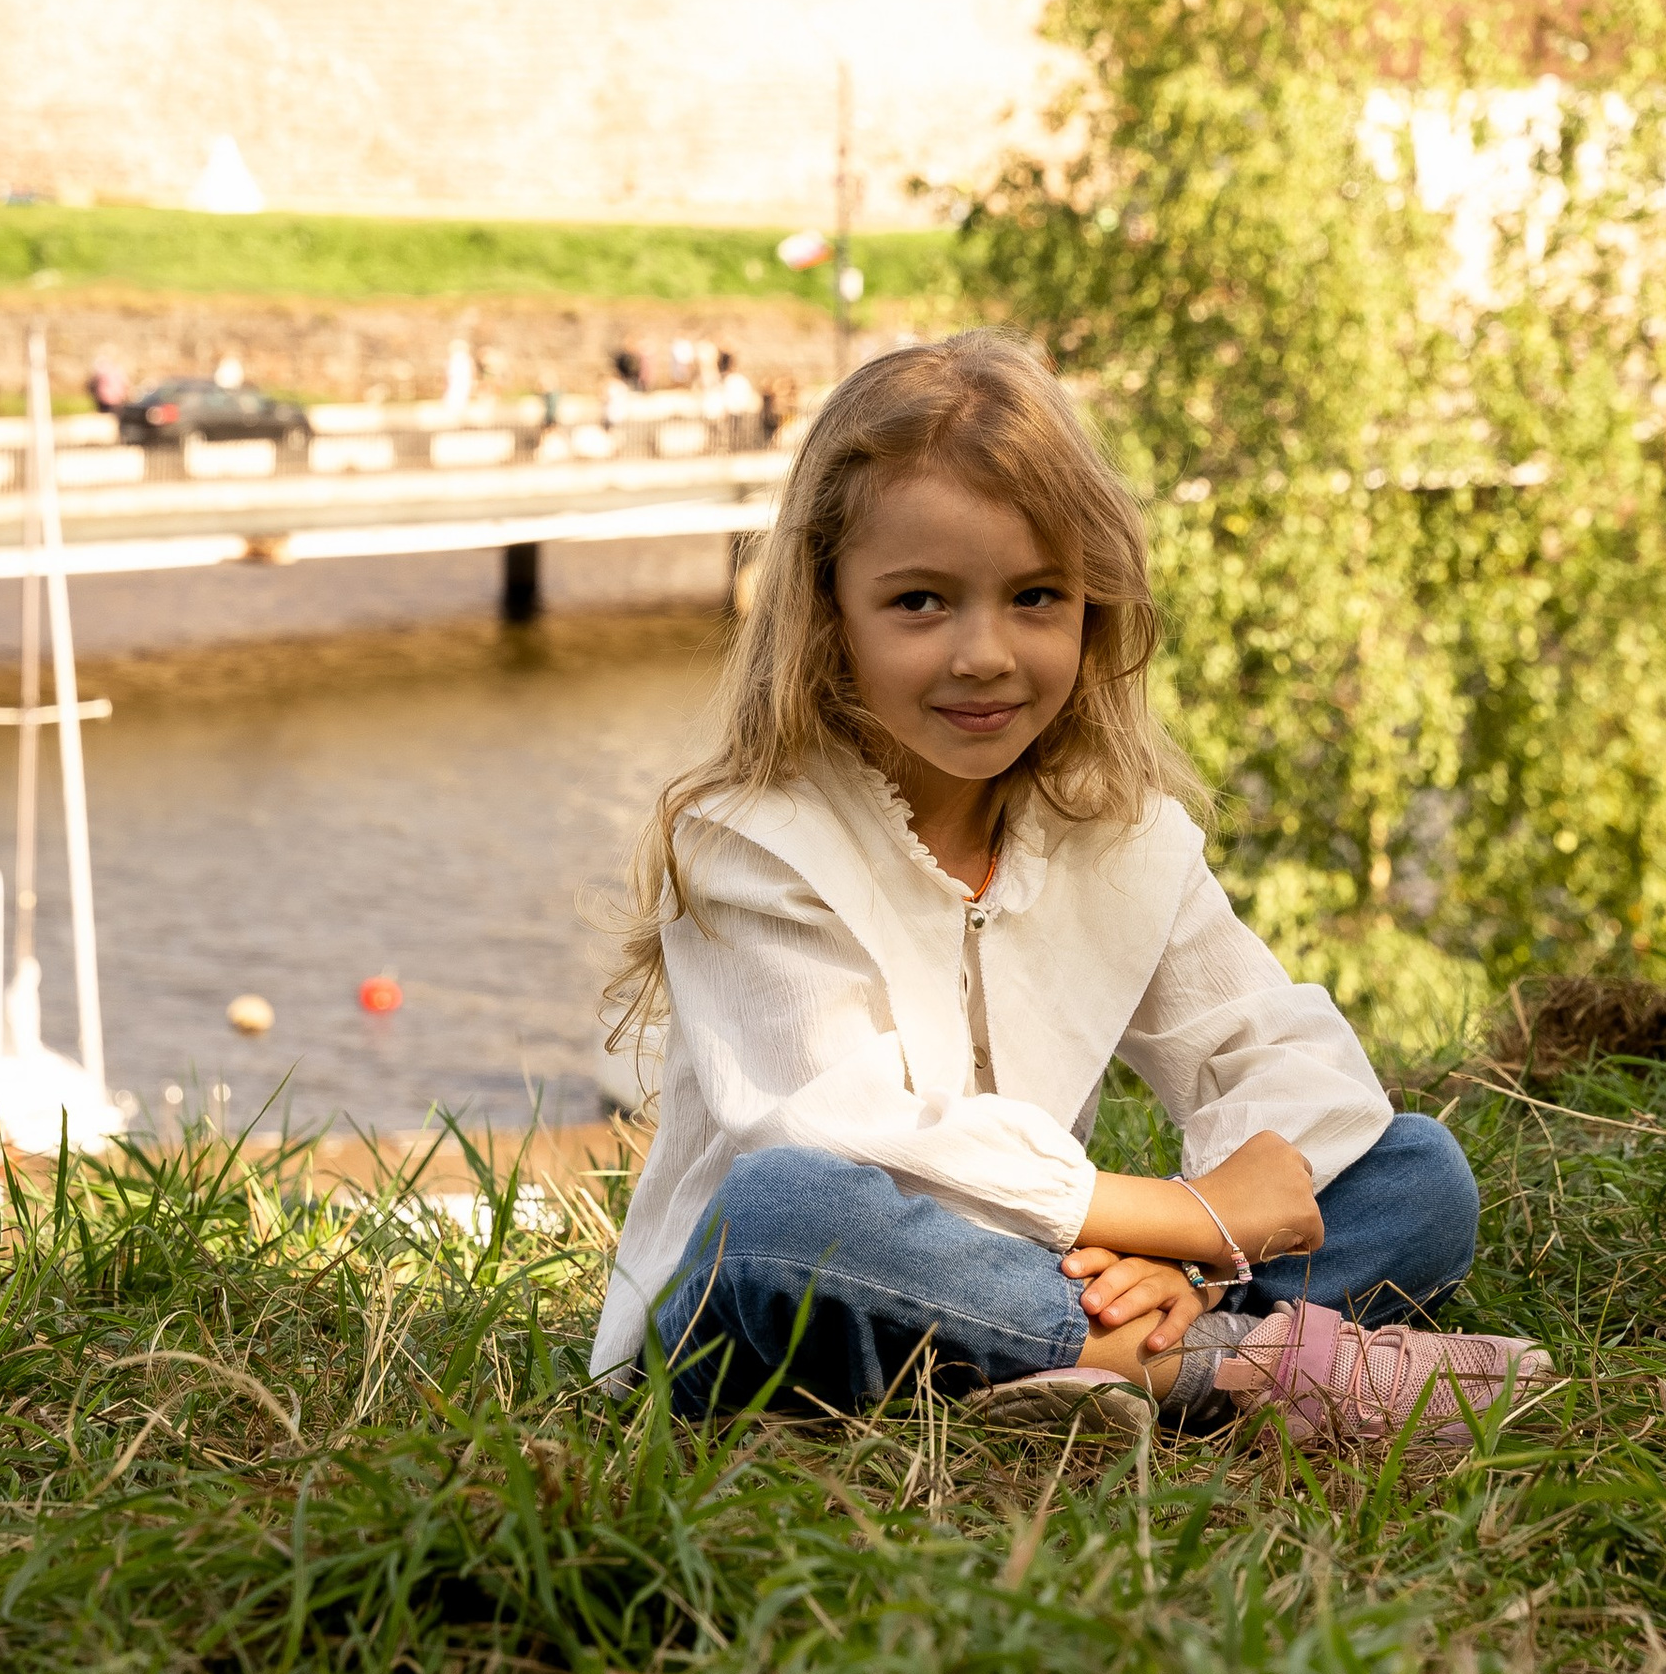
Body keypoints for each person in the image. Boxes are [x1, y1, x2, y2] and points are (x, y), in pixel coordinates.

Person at [593, 333, 1549, 1464]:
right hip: (768, 1325)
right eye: (919, 603)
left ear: (1093, 605)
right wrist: (1185, 1218)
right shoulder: (752, 842)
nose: (985, 653)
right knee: (787, 1211)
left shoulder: (1118, 834)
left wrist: (1185, 1261)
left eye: (1035, 596)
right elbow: (850, 1136)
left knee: (1414, 1174)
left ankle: (1086, 1366)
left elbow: (1286, 1060)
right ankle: (1231, 1367)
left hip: (1034, 1283)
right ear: (826, 611)